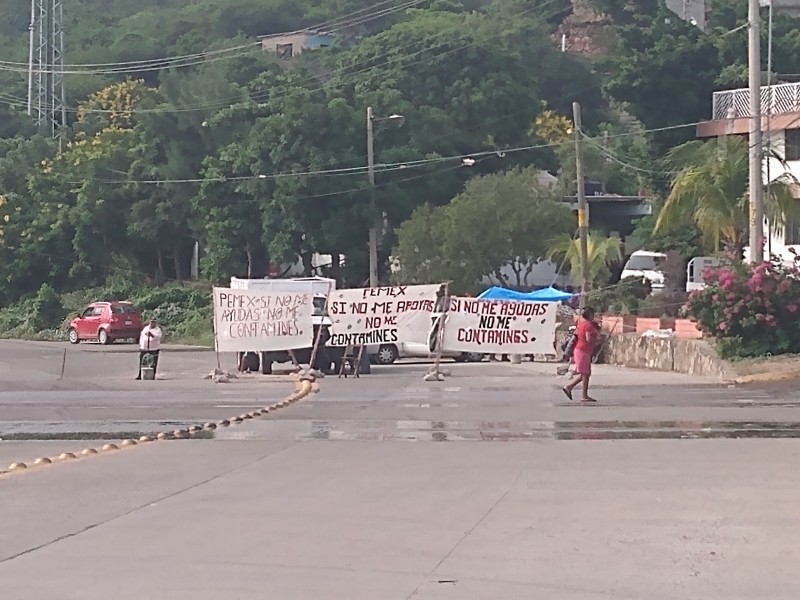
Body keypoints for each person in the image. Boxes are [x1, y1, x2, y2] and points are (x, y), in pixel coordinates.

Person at [562, 306, 600, 403]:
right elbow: (588, 339)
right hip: (583, 351)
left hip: (581, 351)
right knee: (585, 373)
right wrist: (598, 340)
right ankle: (577, 391)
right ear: (590, 315)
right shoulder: (588, 325)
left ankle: (573, 389)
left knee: (586, 373)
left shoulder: (581, 324)